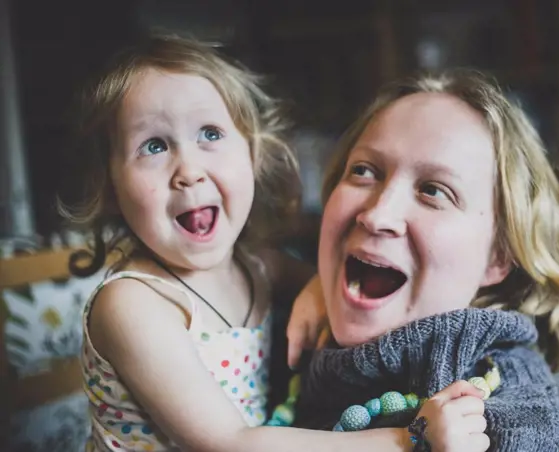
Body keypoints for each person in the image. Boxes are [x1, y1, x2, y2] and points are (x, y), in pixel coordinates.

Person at [60, 33, 473, 452]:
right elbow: (228, 442)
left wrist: (316, 291)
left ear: (253, 154)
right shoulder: (132, 304)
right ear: (112, 187)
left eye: (210, 134)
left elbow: (328, 281)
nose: (189, 170)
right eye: (153, 145)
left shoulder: (257, 265)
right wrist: (407, 439)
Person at [284, 69, 559, 451]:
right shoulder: (299, 340)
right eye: (364, 171)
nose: (377, 215)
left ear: (498, 257)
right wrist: (312, 283)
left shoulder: (511, 418)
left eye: (434, 190)